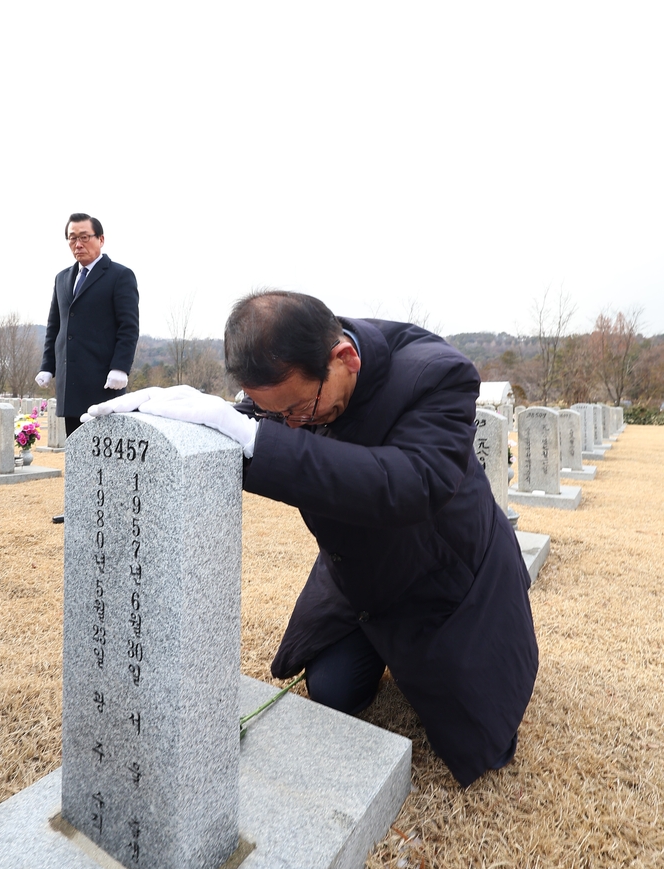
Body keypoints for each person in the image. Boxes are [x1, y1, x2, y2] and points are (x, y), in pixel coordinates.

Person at [81, 290, 538, 787]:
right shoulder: (301, 385)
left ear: (345, 358)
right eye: (276, 414)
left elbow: (412, 483)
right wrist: (188, 415)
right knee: (332, 692)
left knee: (478, 732)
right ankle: (380, 639)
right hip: (361, 576)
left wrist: (256, 438)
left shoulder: (438, 374)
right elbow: (262, 425)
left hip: (444, 576)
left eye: (300, 408)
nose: (293, 423)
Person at [36, 213, 139, 438]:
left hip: (103, 382)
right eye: (72, 238)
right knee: (75, 451)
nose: (78, 244)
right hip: (70, 384)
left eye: (84, 237)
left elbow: (128, 327)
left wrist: (120, 367)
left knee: (104, 452)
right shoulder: (62, 278)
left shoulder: (120, 275)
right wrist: (48, 366)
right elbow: (55, 326)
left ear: (101, 239)